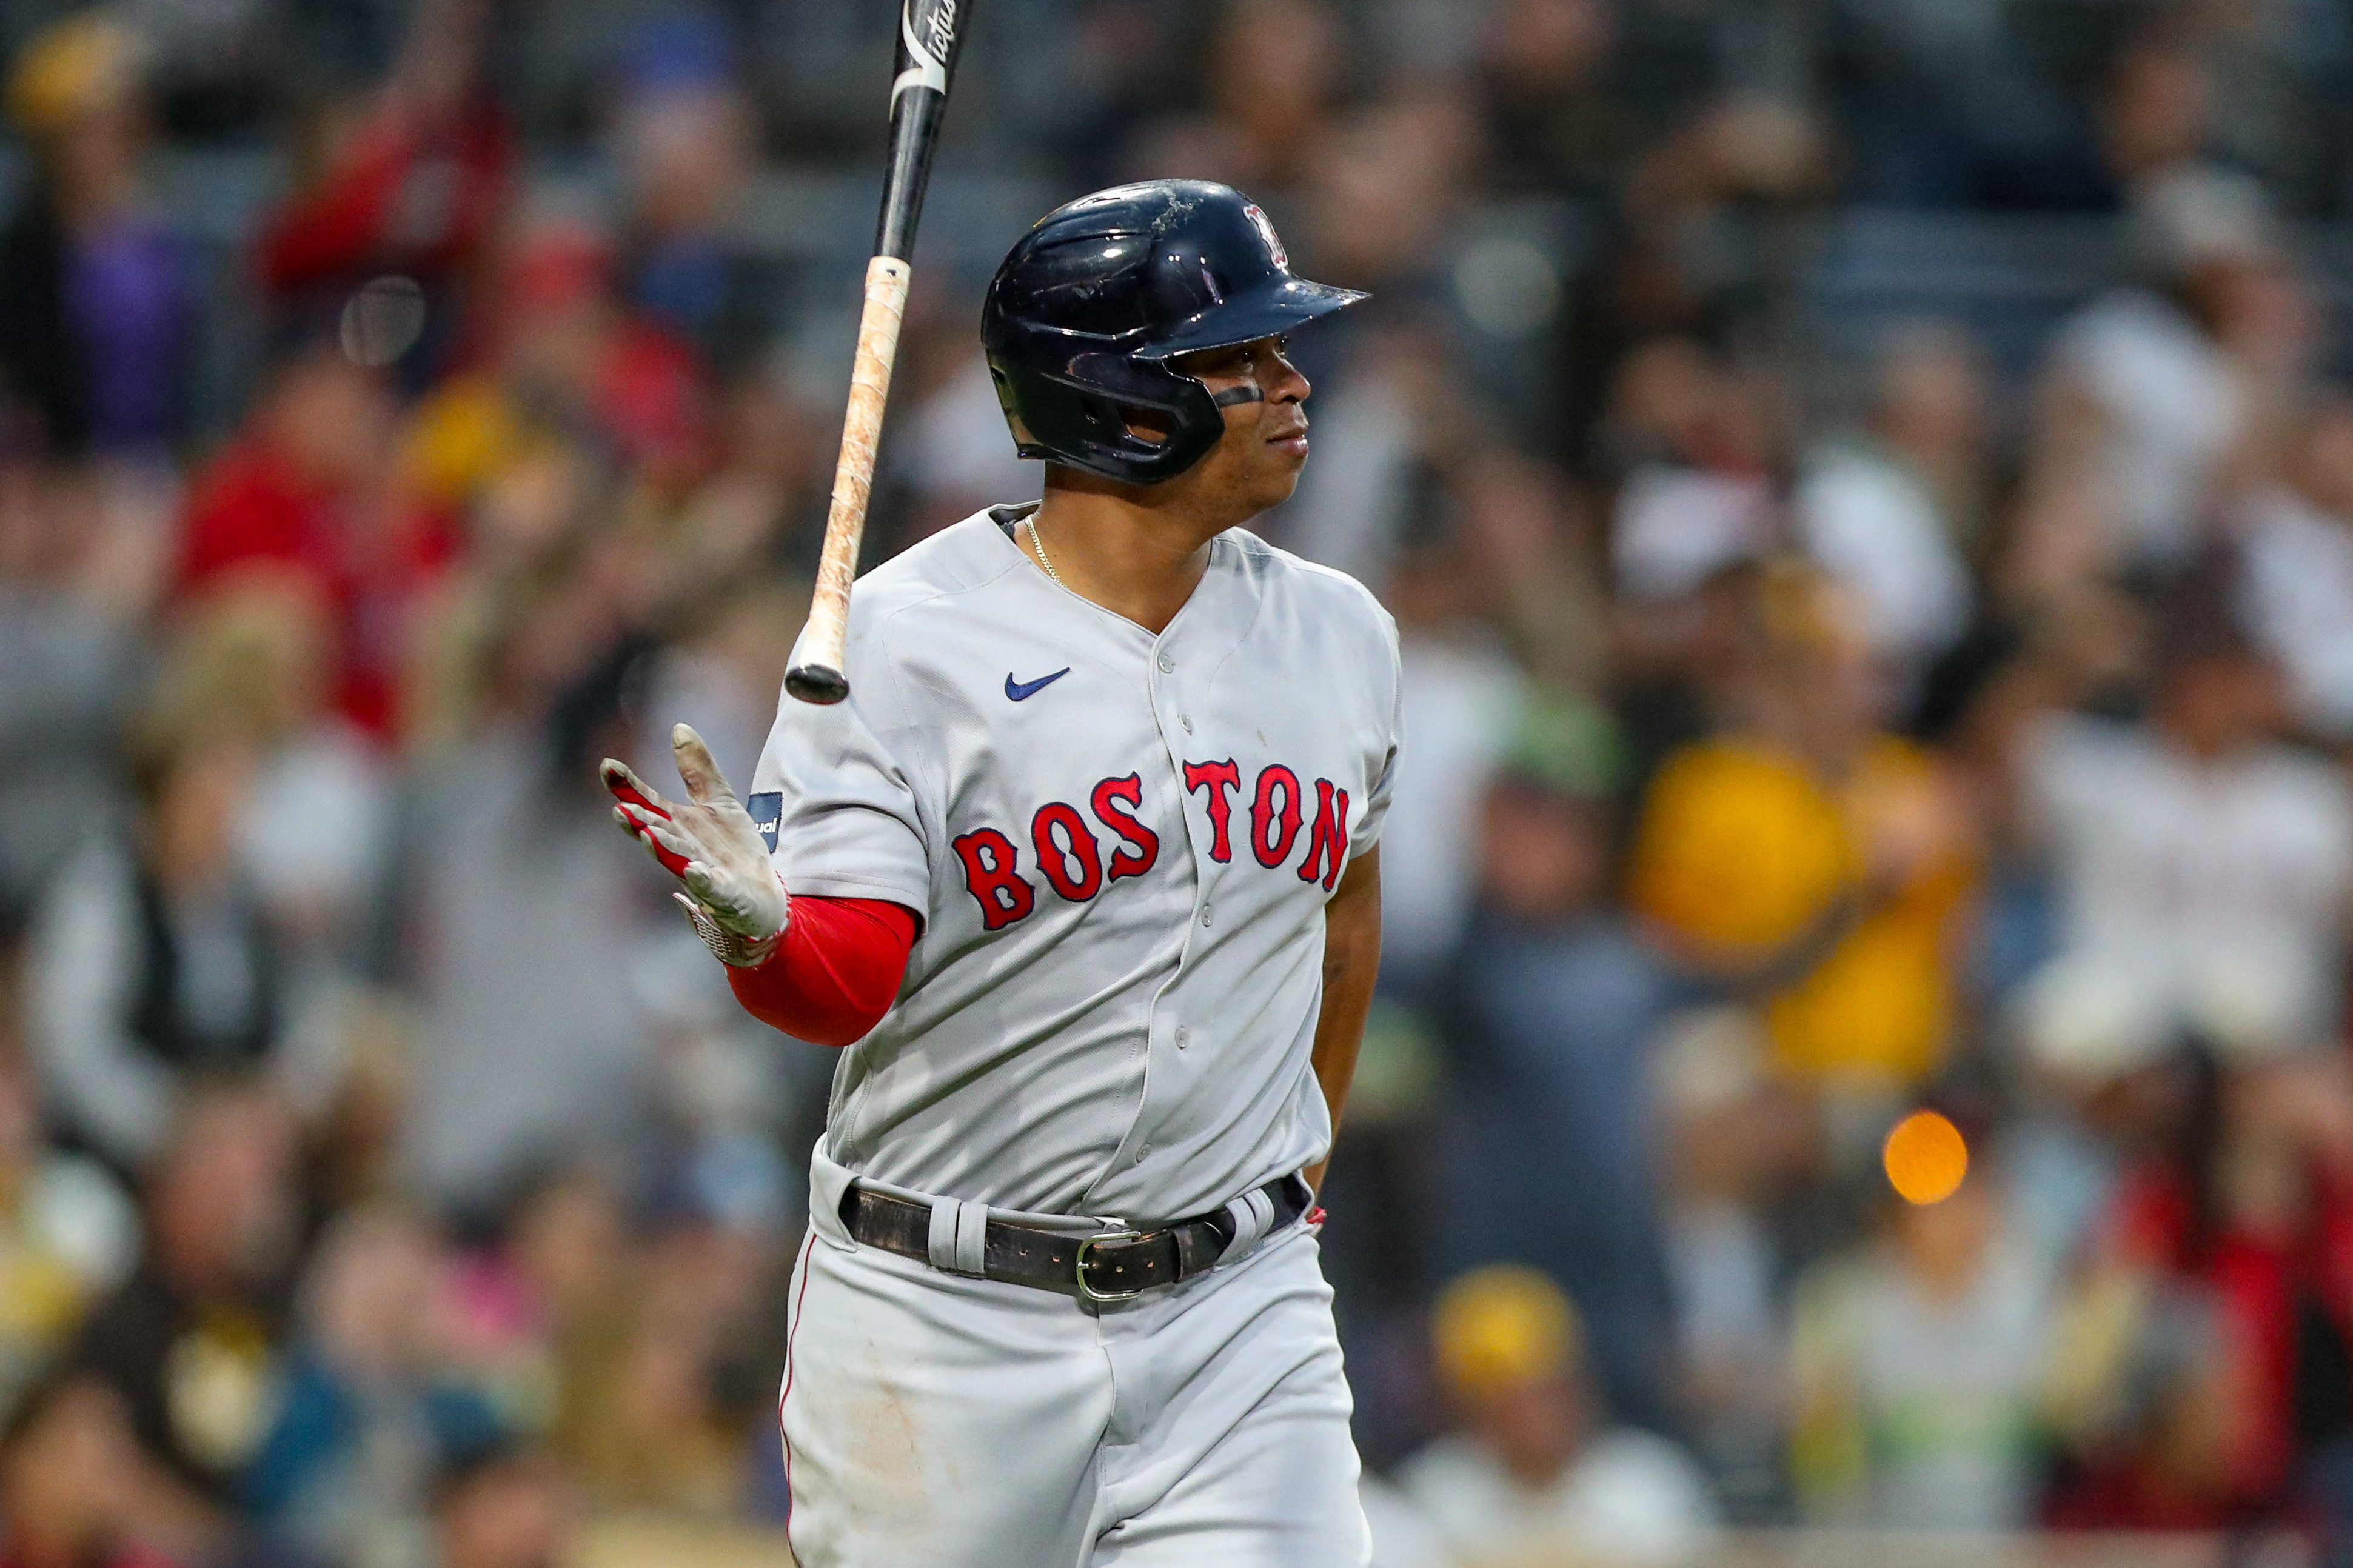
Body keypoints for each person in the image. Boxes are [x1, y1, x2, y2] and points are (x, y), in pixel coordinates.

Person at [600, 181, 1396, 1564]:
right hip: (943, 1315)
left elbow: (1342, 920)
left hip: (1235, 1314)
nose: (1289, 382)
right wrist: (760, 937)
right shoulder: (901, 642)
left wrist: (1288, 1172)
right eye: (1237, 359)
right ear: (1114, 399)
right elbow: (837, 987)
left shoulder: (1337, 634)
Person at [1394, 1264, 1716, 1564]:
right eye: (1513, 1400)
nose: (1540, 1416)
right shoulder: (1434, 1498)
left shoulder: (1650, 1486)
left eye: (1549, 1390)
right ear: (1474, 1413)